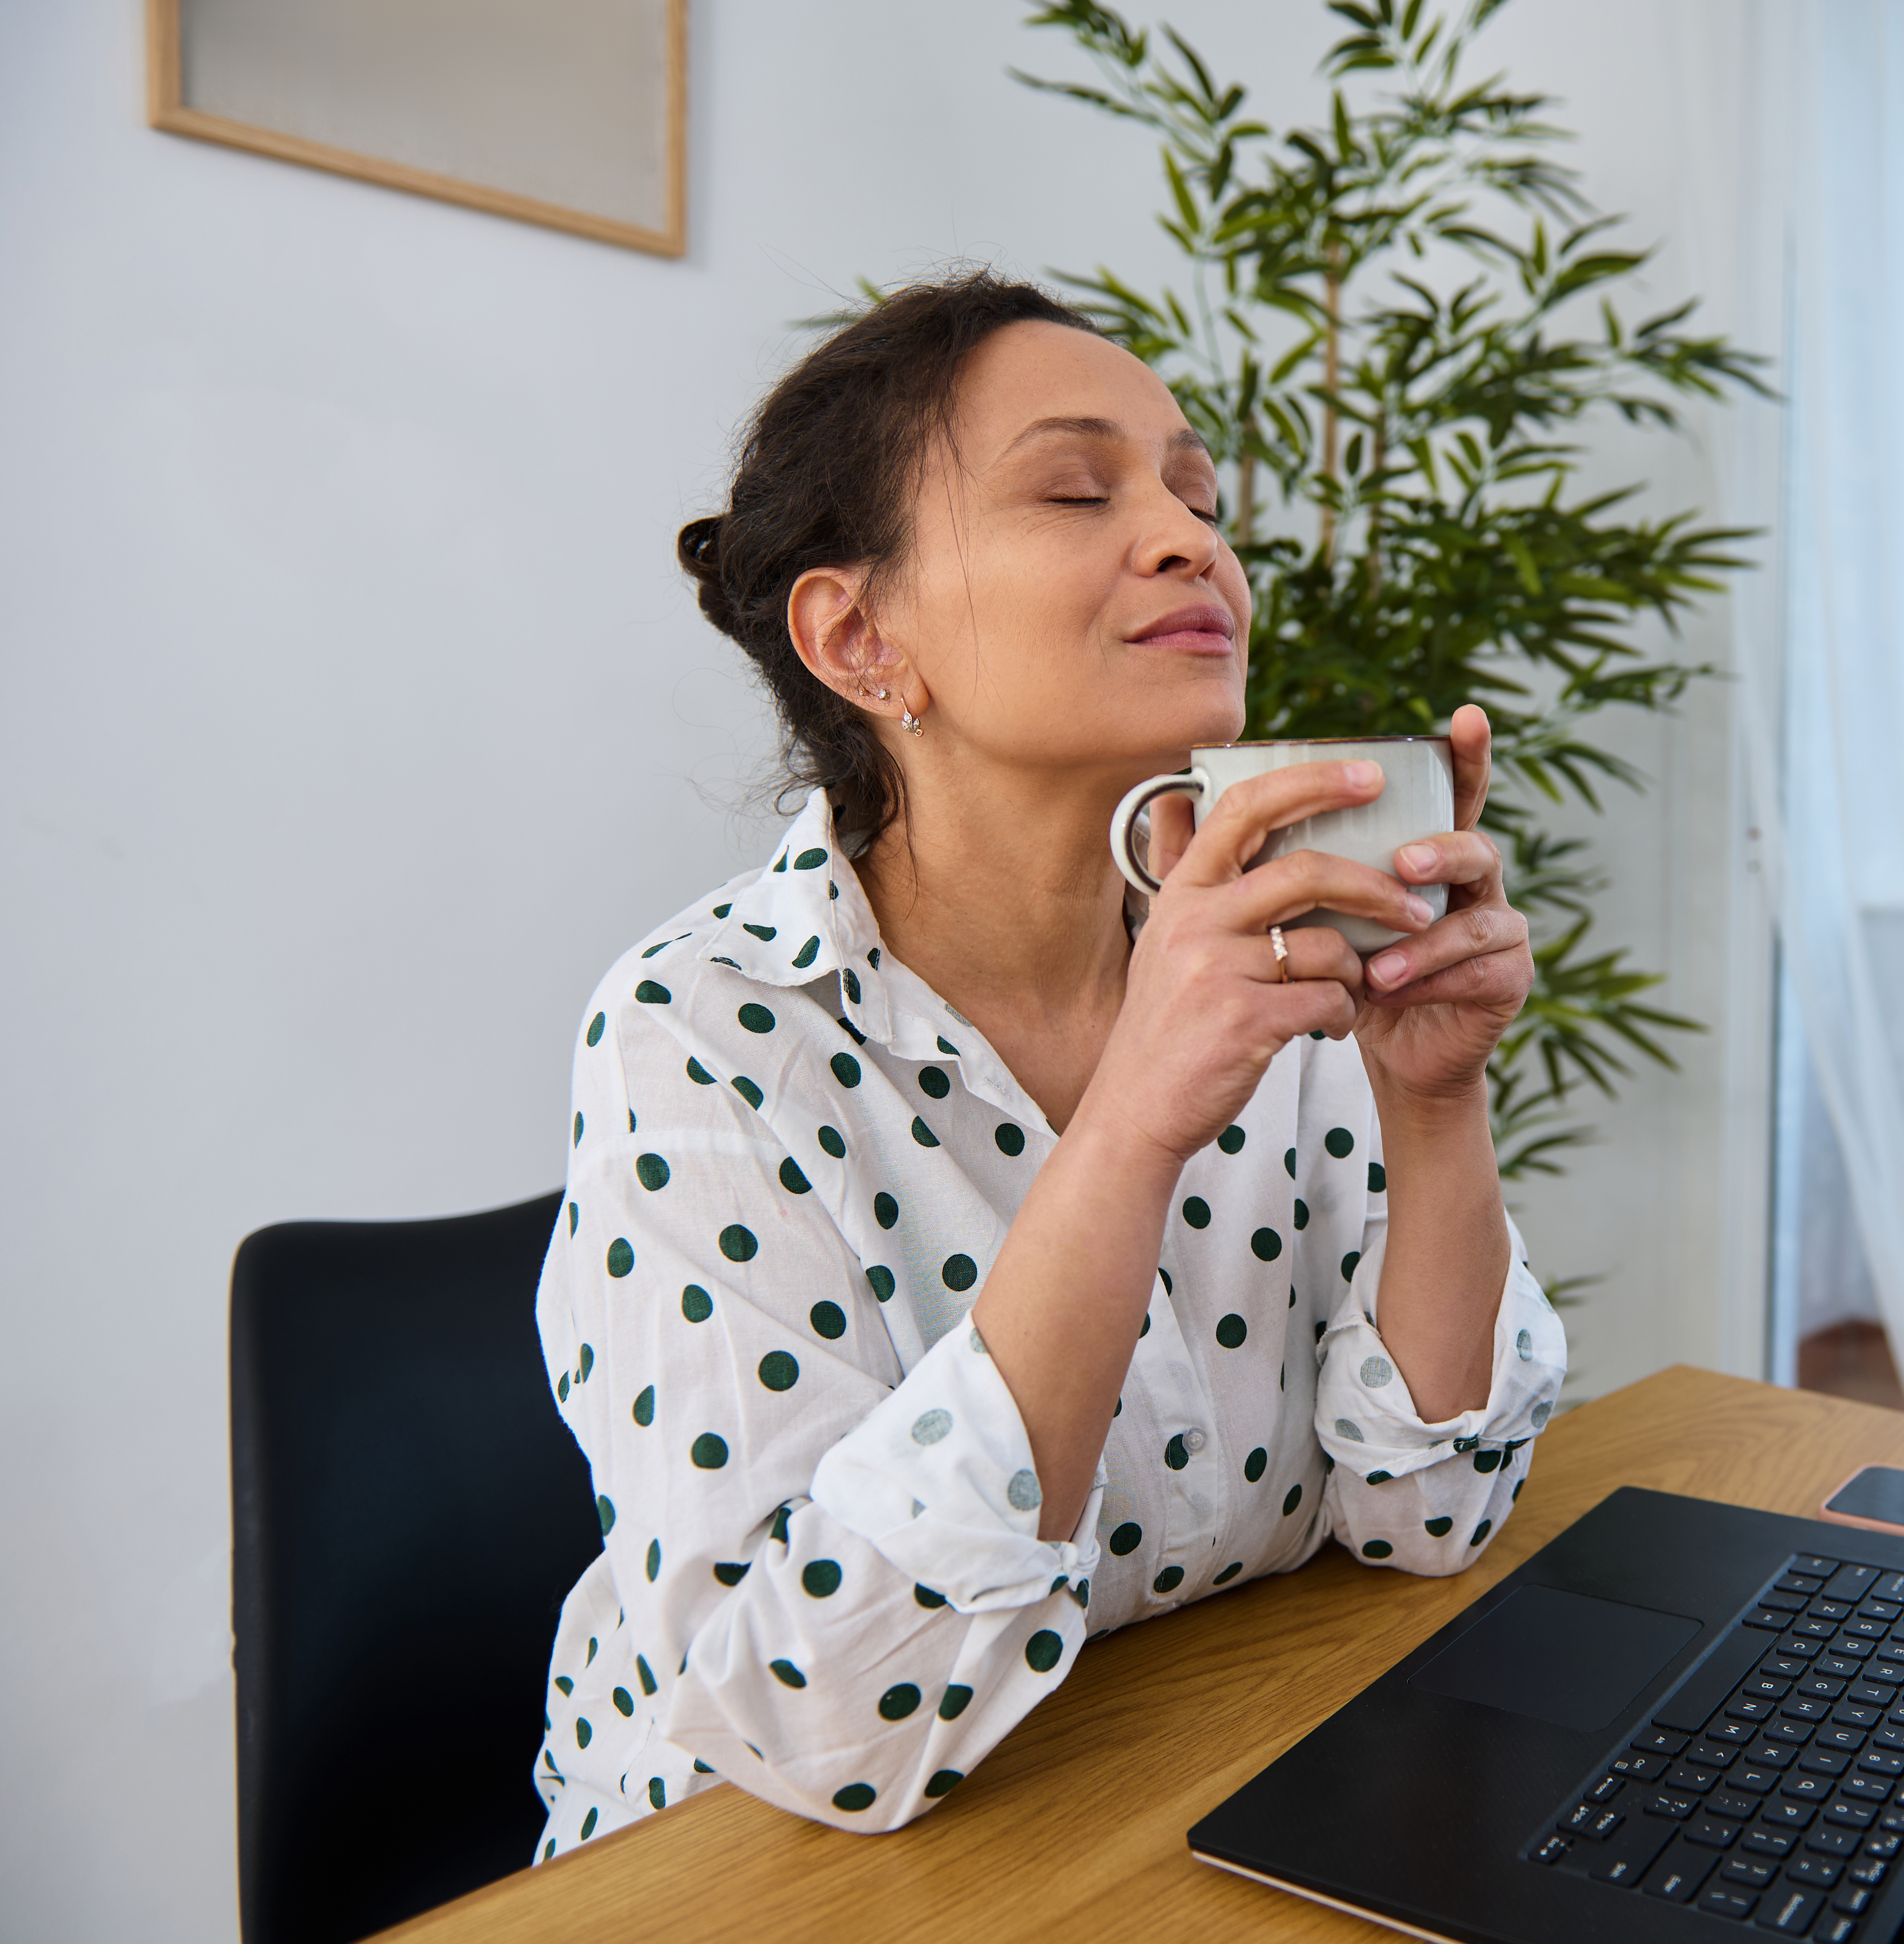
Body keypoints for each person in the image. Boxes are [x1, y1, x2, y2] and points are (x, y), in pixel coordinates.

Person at [531, 271, 1566, 1856]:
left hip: (1159, 1793)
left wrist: (1433, 1103)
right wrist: (1138, 1125)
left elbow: (1429, 1516)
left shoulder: (1273, 951)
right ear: (860, 635)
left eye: (1196, 496)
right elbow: (817, 1720)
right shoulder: (704, 1032)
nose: (1188, 538)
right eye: (1078, 490)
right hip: (744, 1873)